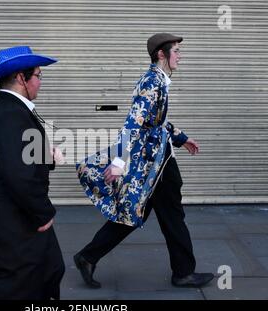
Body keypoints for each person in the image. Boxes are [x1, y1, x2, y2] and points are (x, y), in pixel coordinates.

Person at [75, 33, 214, 289]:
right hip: (154, 164)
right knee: (169, 214)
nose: (180, 55)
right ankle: (183, 272)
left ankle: (88, 256)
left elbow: (156, 122)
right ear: (162, 54)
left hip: (157, 160)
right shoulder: (152, 82)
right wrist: (119, 162)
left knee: (136, 212)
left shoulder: (158, 80)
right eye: (176, 51)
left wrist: (181, 138)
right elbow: (134, 123)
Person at [0, 46, 65, 299]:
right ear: (22, 78)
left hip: (10, 211)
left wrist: (48, 155)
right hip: (11, 215)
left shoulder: (7, 109)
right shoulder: (12, 114)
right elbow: (18, 175)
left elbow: (15, 156)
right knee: (10, 282)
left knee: (49, 268)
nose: (40, 82)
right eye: (38, 76)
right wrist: (43, 213)